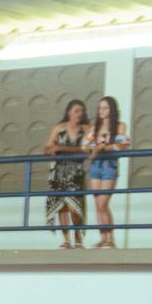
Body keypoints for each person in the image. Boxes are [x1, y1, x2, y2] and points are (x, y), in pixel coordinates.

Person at [42, 98, 90, 248]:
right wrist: (51, 149)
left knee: (74, 206)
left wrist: (61, 148)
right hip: (58, 170)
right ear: (69, 112)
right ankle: (66, 240)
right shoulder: (59, 128)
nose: (79, 114)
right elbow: (48, 148)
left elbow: (86, 149)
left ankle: (78, 237)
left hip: (75, 171)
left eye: (81, 111)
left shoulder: (86, 129)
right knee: (60, 205)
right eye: (76, 111)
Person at [86, 94, 131, 249]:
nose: (101, 111)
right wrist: (98, 147)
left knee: (103, 203)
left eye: (105, 108)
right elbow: (86, 145)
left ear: (111, 109)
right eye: (100, 108)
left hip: (109, 165)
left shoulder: (120, 126)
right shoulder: (95, 127)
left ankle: (111, 238)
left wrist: (101, 147)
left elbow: (123, 144)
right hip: (96, 165)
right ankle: (103, 238)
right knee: (97, 204)